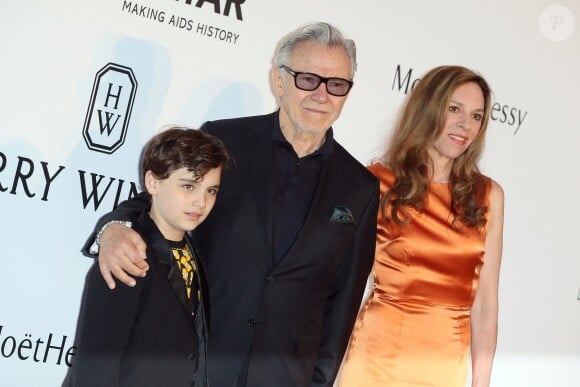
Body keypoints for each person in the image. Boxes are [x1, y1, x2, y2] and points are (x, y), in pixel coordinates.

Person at [81, 22, 379, 387]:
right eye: (307, 79)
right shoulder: (227, 138)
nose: (322, 94)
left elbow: (343, 305)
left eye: (336, 84)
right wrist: (114, 228)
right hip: (201, 362)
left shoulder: (360, 187)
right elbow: (161, 199)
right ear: (279, 80)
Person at [339, 65, 504, 387]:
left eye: (476, 116)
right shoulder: (377, 182)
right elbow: (342, 284)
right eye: (454, 109)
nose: (465, 124)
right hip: (376, 360)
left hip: (444, 368)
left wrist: (481, 382)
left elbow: (485, 304)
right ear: (428, 108)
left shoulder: (488, 195)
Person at [64, 127, 231, 387]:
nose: (201, 201)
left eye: (211, 190)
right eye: (189, 186)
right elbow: (95, 370)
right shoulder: (125, 256)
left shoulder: (194, 251)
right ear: (152, 182)